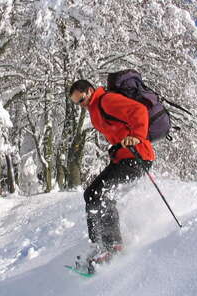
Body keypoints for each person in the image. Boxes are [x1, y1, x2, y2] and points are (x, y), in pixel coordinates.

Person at [68, 79, 154, 269]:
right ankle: (104, 244)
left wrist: (137, 137)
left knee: (97, 193)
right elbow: (120, 129)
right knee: (95, 193)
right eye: (76, 103)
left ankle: (109, 246)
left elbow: (139, 110)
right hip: (124, 157)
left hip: (137, 156)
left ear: (89, 91)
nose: (80, 105)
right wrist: (115, 147)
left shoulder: (106, 100)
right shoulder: (95, 108)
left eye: (81, 100)